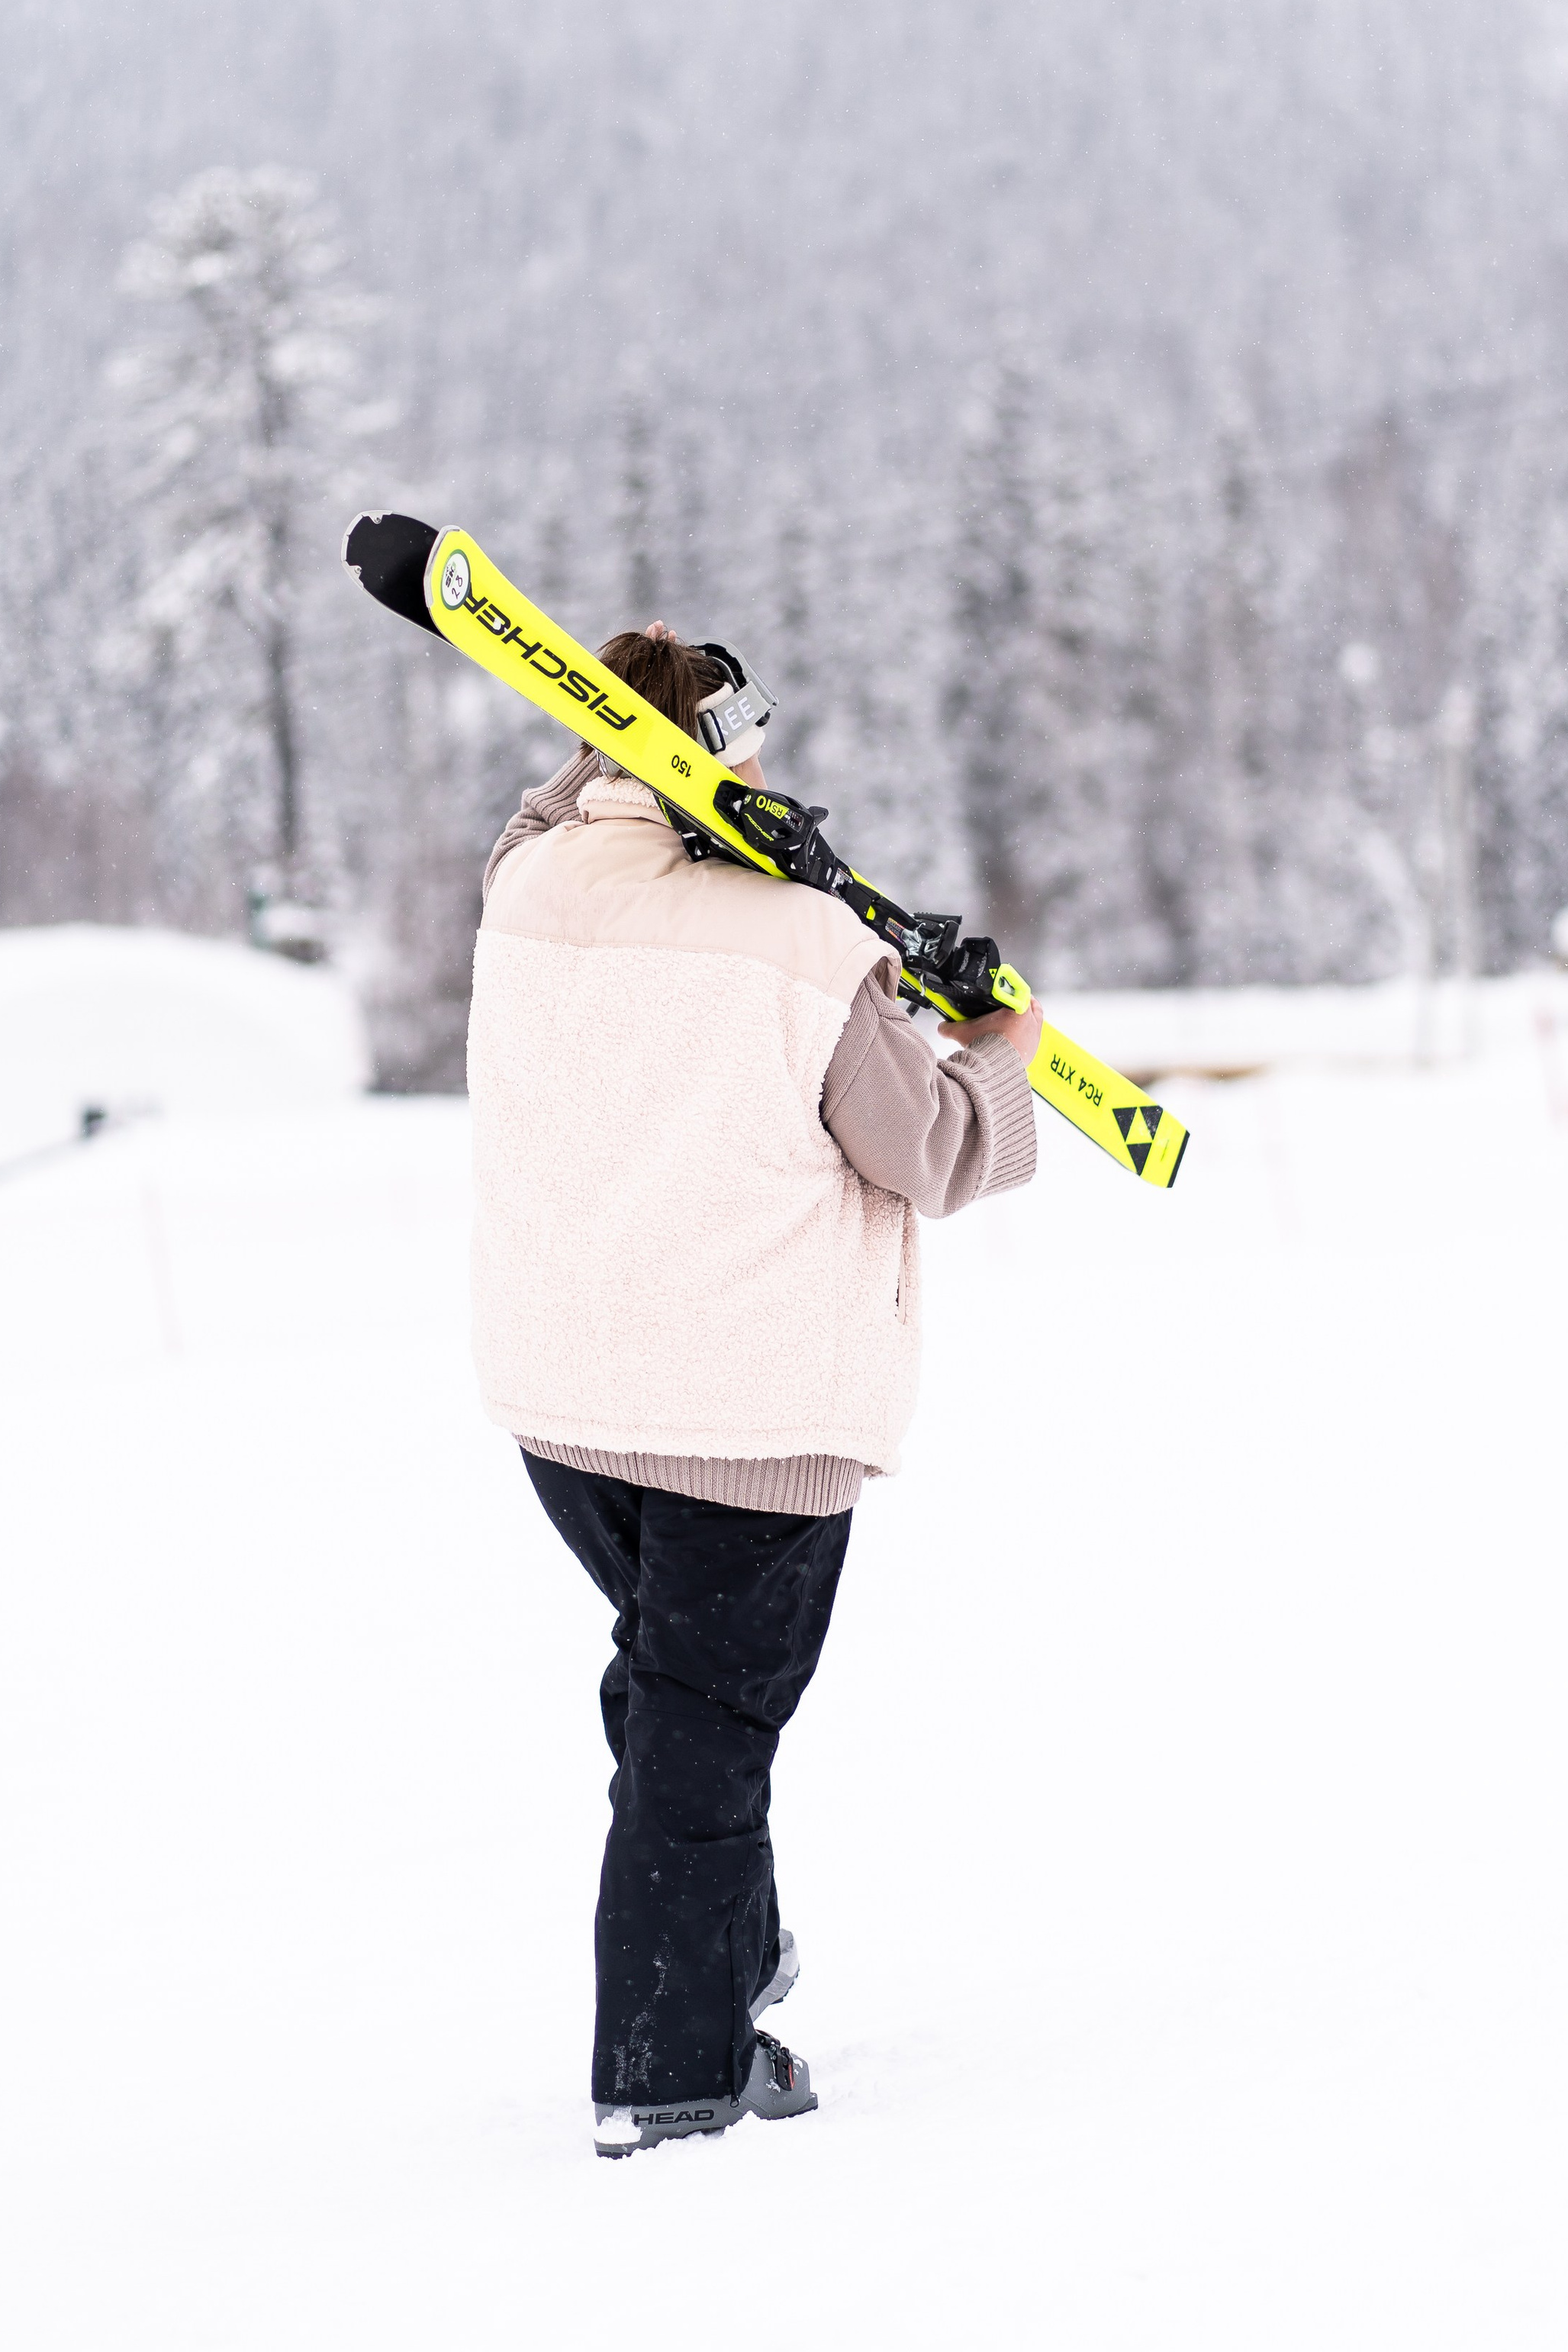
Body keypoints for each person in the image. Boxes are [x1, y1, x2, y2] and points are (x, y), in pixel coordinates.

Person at [468, 620, 1042, 2157]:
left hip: (567, 1401)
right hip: (749, 1417)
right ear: (719, 752)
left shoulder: (531, 893)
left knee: (672, 1695)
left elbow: (537, 821)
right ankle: (668, 2073)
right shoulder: (799, 951)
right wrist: (995, 1033)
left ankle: (723, 1946)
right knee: (701, 1734)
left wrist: (624, 776)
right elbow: (929, 1149)